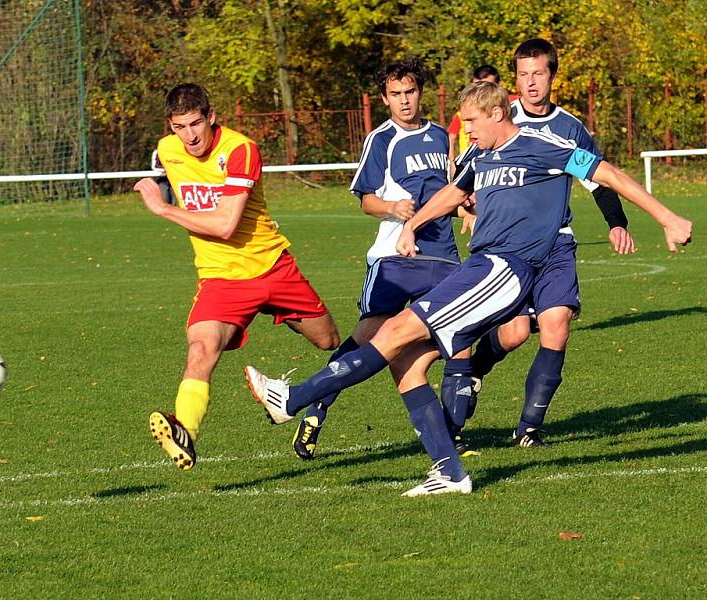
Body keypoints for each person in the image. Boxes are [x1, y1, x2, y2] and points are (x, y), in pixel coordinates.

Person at [245, 81, 692, 495]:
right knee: (406, 363)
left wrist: (667, 218)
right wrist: (414, 223)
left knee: (397, 331)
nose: (466, 130)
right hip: (481, 264)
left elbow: (607, 173)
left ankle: (293, 399)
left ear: (497, 114)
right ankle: (450, 471)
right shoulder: (480, 157)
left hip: (506, 268)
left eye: (472, 122)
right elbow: (454, 194)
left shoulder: (544, 146)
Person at [133, 83, 340, 470]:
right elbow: (170, 175)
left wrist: (162, 210)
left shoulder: (241, 150)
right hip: (221, 278)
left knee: (329, 341)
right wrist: (161, 189)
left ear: (211, 117)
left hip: (272, 268)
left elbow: (227, 224)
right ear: (170, 126)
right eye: (180, 126)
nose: (190, 136)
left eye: (196, 123)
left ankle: (289, 395)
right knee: (200, 349)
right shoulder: (166, 150)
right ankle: (185, 433)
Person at [291, 57, 475, 461]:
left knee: (460, 336)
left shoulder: (443, 136)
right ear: (384, 98)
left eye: (410, 92)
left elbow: (453, 187)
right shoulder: (381, 139)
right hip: (394, 259)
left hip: (443, 257)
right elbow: (366, 201)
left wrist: (468, 209)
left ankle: (452, 432)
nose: (404, 101)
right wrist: (392, 207)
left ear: (420, 93)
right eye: (396, 94)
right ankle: (317, 407)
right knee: (369, 336)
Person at [463, 38, 635, 448]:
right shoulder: (498, 118)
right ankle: (474, 371)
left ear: (552, 75)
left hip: (556, 241)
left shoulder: (570, 127)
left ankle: (528, 428)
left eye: (538, 73)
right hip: (508, 247)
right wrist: (468, 208)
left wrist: (616, 222)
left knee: (556, 327)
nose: (531, 83)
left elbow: (597, 176)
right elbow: (467, 175)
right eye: (523, 75)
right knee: (515, 333)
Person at [447, 65, 516, 167]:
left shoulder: (516, 105)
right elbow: (451, 136)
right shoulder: (462, 113)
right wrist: (451, 161)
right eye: (476, 86)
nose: (467, 130)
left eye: (487, 87)